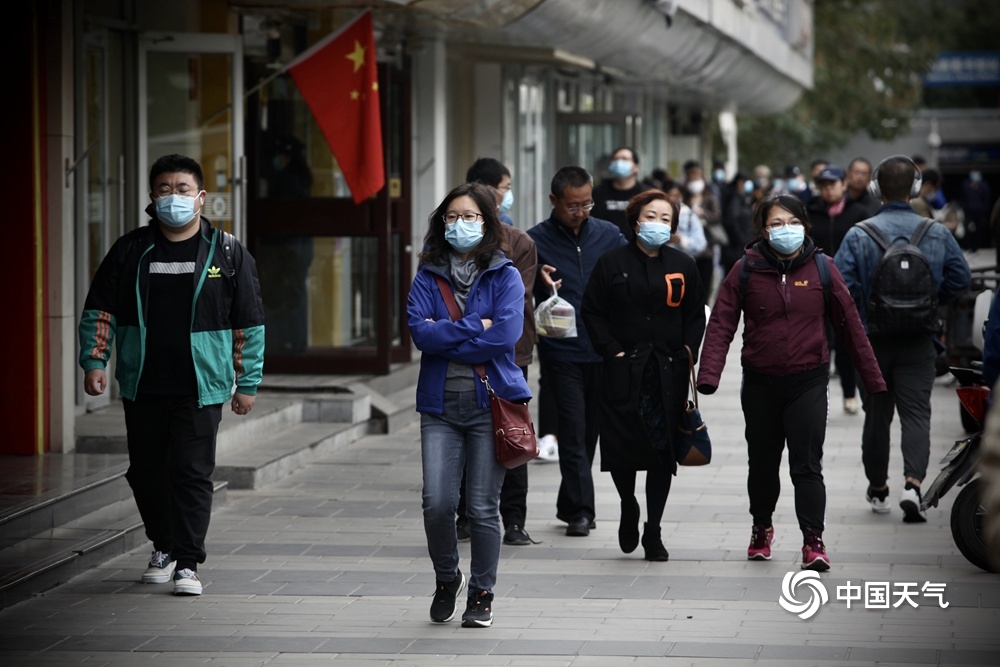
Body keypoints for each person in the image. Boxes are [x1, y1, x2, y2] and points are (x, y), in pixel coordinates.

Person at [78, 154, 266, 596]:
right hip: (143, 380)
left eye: (183, 189)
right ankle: (162, 543)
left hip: (201, 385)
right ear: (151, 197)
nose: (174, 196)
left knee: (191, 471)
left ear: (201, 198)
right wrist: (94, 361)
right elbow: (99, 311)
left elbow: (250, 323)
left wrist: (248, 383)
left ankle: (187, 561)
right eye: (165, 189)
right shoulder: (130, 249)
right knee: (145, 471)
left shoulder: (227, 251)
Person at [697, 194, 885, 571]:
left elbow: (851, 328)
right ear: (763, 231)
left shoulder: (823, 269)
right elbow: (721, 323)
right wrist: (709, 375)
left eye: (792, 222)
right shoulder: (745, 270)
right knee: (763, 464)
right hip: (761, 383)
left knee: (807, 466)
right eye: (775, 224)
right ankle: (761, 527)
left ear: (805, 225)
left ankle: (813, 542)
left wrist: (874, 381)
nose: (785, 230)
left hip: (809, 381)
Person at [406, 182, 532, 628]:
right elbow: (420, 334)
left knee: (481, 507)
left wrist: (449, 332)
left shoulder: (506, 274)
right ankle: (447, 578)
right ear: (443, 223)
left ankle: (482, 592)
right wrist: (472, 327)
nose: (462, 224)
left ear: (487, 222)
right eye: (454, 217)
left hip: (489, 404)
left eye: (471, 217)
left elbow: (505, 336)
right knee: (437, 503)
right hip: (439, 405)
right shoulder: (427, 274)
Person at [835, 155, 971, 523]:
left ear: (877, 189)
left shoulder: (859, 234)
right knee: (917, 414)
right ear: (915, 188)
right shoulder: (937, 232)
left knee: (876, 416)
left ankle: (878, 488)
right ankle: (912, 484)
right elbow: (961, 280)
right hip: (919, 341)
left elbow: (841, 289)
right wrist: (930, 303)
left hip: (871, 343)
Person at [581, 189, 706, 561]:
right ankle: (627, 505)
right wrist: (612, 351)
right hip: (623, 369)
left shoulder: (683, 264)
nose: (657, 224)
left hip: (667, 371)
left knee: (661, 453)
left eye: (665, 218)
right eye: (651, 216)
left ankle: (654, 529)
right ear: (636, 220)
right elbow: (592, 312)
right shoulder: (611, 262)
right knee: (621, 448)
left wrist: (688, 352)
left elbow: (695, 314)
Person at [527, 166, 627, 537]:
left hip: (602, 348)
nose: (581, 211)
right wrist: (537, 277)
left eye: (587, 204)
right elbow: (515, 287)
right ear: (554, 201)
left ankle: (569, 501)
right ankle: (582, 512)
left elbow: (627, 278)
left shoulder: (609, 234)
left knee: (589, 435)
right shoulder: (534, 241)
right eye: (573, 205)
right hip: (560, 350)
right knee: (571, 428)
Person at [456, 157, 539, 547]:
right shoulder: (446, 242)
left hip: (509, 357)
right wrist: (470, 326)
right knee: (463, 435)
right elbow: (437, 310)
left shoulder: (519, 242)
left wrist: (460, 328)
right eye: (504, 188)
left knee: (512, 432)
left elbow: (509, 307)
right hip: (458, 359)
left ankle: (515, 519)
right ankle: (464, 515)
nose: (505, 196)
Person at [806, 164, 871, 415]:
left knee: (845, 343)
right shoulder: (809, 212)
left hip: (847, 288)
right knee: (818, 341)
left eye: (833, 184)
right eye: (824, 185)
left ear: (844, 185)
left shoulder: (859, 213)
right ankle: (817, 393)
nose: (828, 189)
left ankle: (849, 393)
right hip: (813, 286)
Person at [662, 180, 710, 304]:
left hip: (682, 271)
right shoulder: (657, 215)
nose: (673, 199)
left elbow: (700, 244)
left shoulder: (688, 215)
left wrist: (682, 240)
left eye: (676, 195)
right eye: (669, 195)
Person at [591, 146, 651, 241]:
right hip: (604, 246)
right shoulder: (597, 192)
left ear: (636, 167)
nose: (619, 162)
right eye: (616, 159)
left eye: (624, 159)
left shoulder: (646, 194)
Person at [719, 171, 754, 275]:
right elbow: (731, 222)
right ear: (739, 183)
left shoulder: (742, 198)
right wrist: (742, 240)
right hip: (735, 249)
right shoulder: (734, 199)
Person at [960, 170, 993, 252]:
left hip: (979, 214)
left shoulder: (984, 186)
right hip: (968, 213)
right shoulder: (966, 185)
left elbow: (986, 200)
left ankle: (976, 247)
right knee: (967, 230)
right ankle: (968, 247)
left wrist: (984, 213)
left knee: (978, 231)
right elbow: (962, 199)